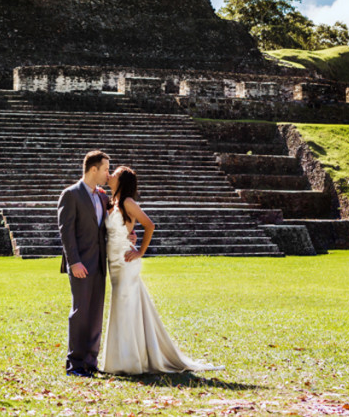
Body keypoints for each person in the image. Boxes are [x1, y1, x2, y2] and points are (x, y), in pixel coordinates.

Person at [100, 165, 224, 375]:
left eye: (115, 173)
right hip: (114, 263)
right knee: (121, 308)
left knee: (125, 308)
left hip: (126, 262)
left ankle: (128, 361)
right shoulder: (112, 202)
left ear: (122, 181)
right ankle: (120, 358)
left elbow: (150, 225)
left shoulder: (129, 203)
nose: (110, 175)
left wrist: (140, 251)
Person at [57, 150, 127, 377]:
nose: (108, 174)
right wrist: (74, 262)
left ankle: (90, 361)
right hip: (80, 265)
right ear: (93, 169)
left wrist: (129, 236)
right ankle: (75, 364)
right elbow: (66, 232)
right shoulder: (70, 195)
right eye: (106, 169)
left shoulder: (102, 197)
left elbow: (110, 226)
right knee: (80, 312)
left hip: (99, 264)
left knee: (96, 313)